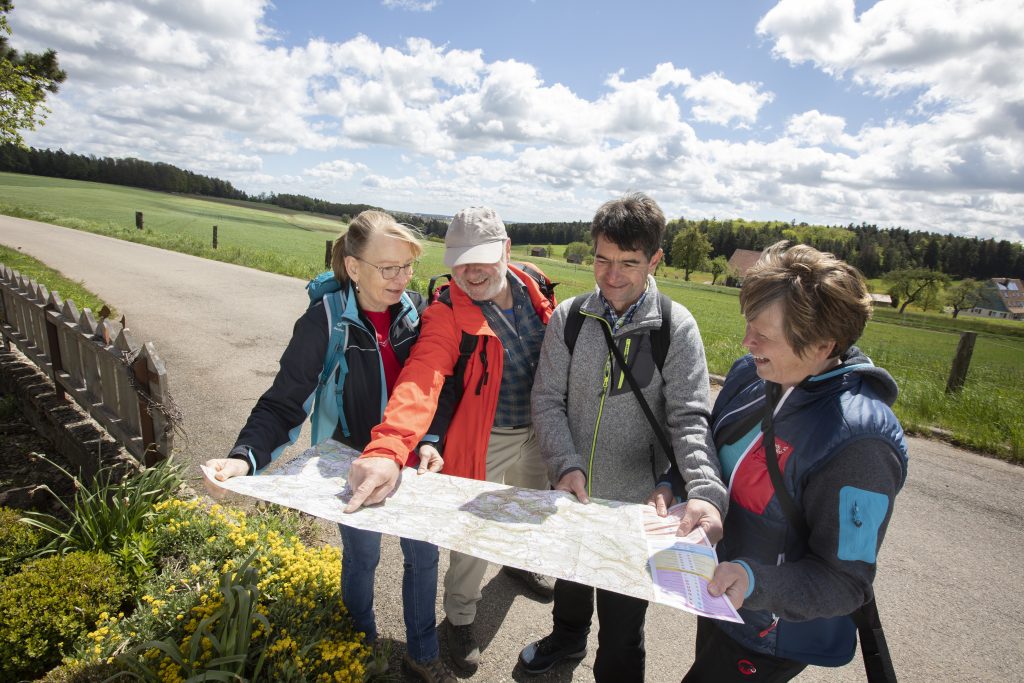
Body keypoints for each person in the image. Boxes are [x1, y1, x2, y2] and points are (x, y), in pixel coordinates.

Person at [203, 210, 456, 683]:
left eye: (407, 267)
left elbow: (438, 383)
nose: (401, 279)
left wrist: (431, 439)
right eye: (388, 268)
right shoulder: (324, 321)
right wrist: (244, 457)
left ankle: (423, 655)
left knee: (423, 557)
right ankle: (357, 645)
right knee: (362, 558)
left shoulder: (417, 312)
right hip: (352, 462)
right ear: (354, 267)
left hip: (411, 462)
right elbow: (283, 401)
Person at [520, 192, 728, 682]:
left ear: (655, 259)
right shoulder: (569, 318)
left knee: (622, 624)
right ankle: (567, 639)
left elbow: (690, 420)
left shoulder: (675, 328)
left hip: (639, 508)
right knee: (570, 584)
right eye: (602, 259)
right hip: (573, 494)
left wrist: (699, 489)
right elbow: (548, 399)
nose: (612, 275)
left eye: (629, 263)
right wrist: (564, 464)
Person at [678, 242, 908, 682]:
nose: (748, 342)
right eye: (749, 326)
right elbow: (708, 443)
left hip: (769, 632)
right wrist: (676, 482)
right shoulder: (753, 372)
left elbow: (846, 582)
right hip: (718, 597)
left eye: (765, 335)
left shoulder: (862, 443)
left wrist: (753, 581)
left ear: (824, 344)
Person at [343, 206, 556, 675]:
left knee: (527, 510)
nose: (471, 272)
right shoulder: (446, 313)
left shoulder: (537, 286)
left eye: (481, 258)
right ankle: (460, 617)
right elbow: (422, 377)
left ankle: (516, 564)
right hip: (488, 435)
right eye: (460, 260)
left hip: (537, 434)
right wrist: (389, 446)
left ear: (506, 250)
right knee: (473, 529)